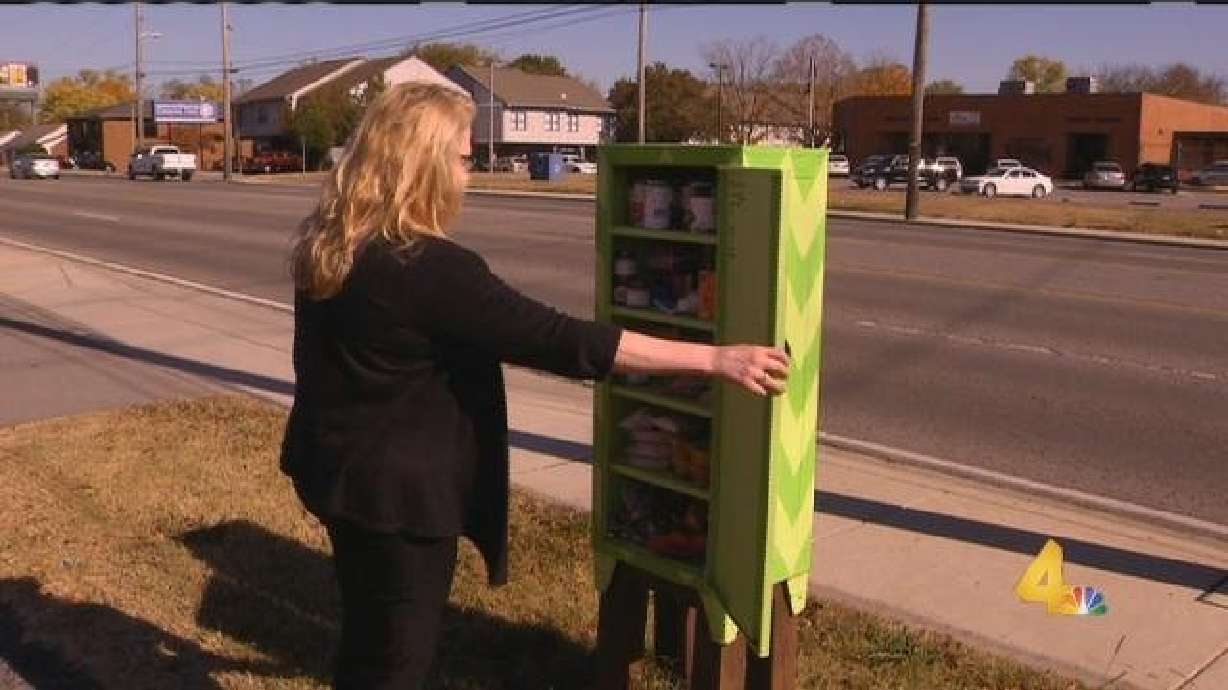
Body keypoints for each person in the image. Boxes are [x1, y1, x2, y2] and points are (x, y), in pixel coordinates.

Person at [280, 82, 790, 690]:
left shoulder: (333, 244)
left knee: (367, 635)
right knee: (397, 662)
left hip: (339, 480)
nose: (469, 175)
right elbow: (561, 340)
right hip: (402, 504)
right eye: (463, 159)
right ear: (424, 165)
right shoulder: (431, 268)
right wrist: (715, 359)